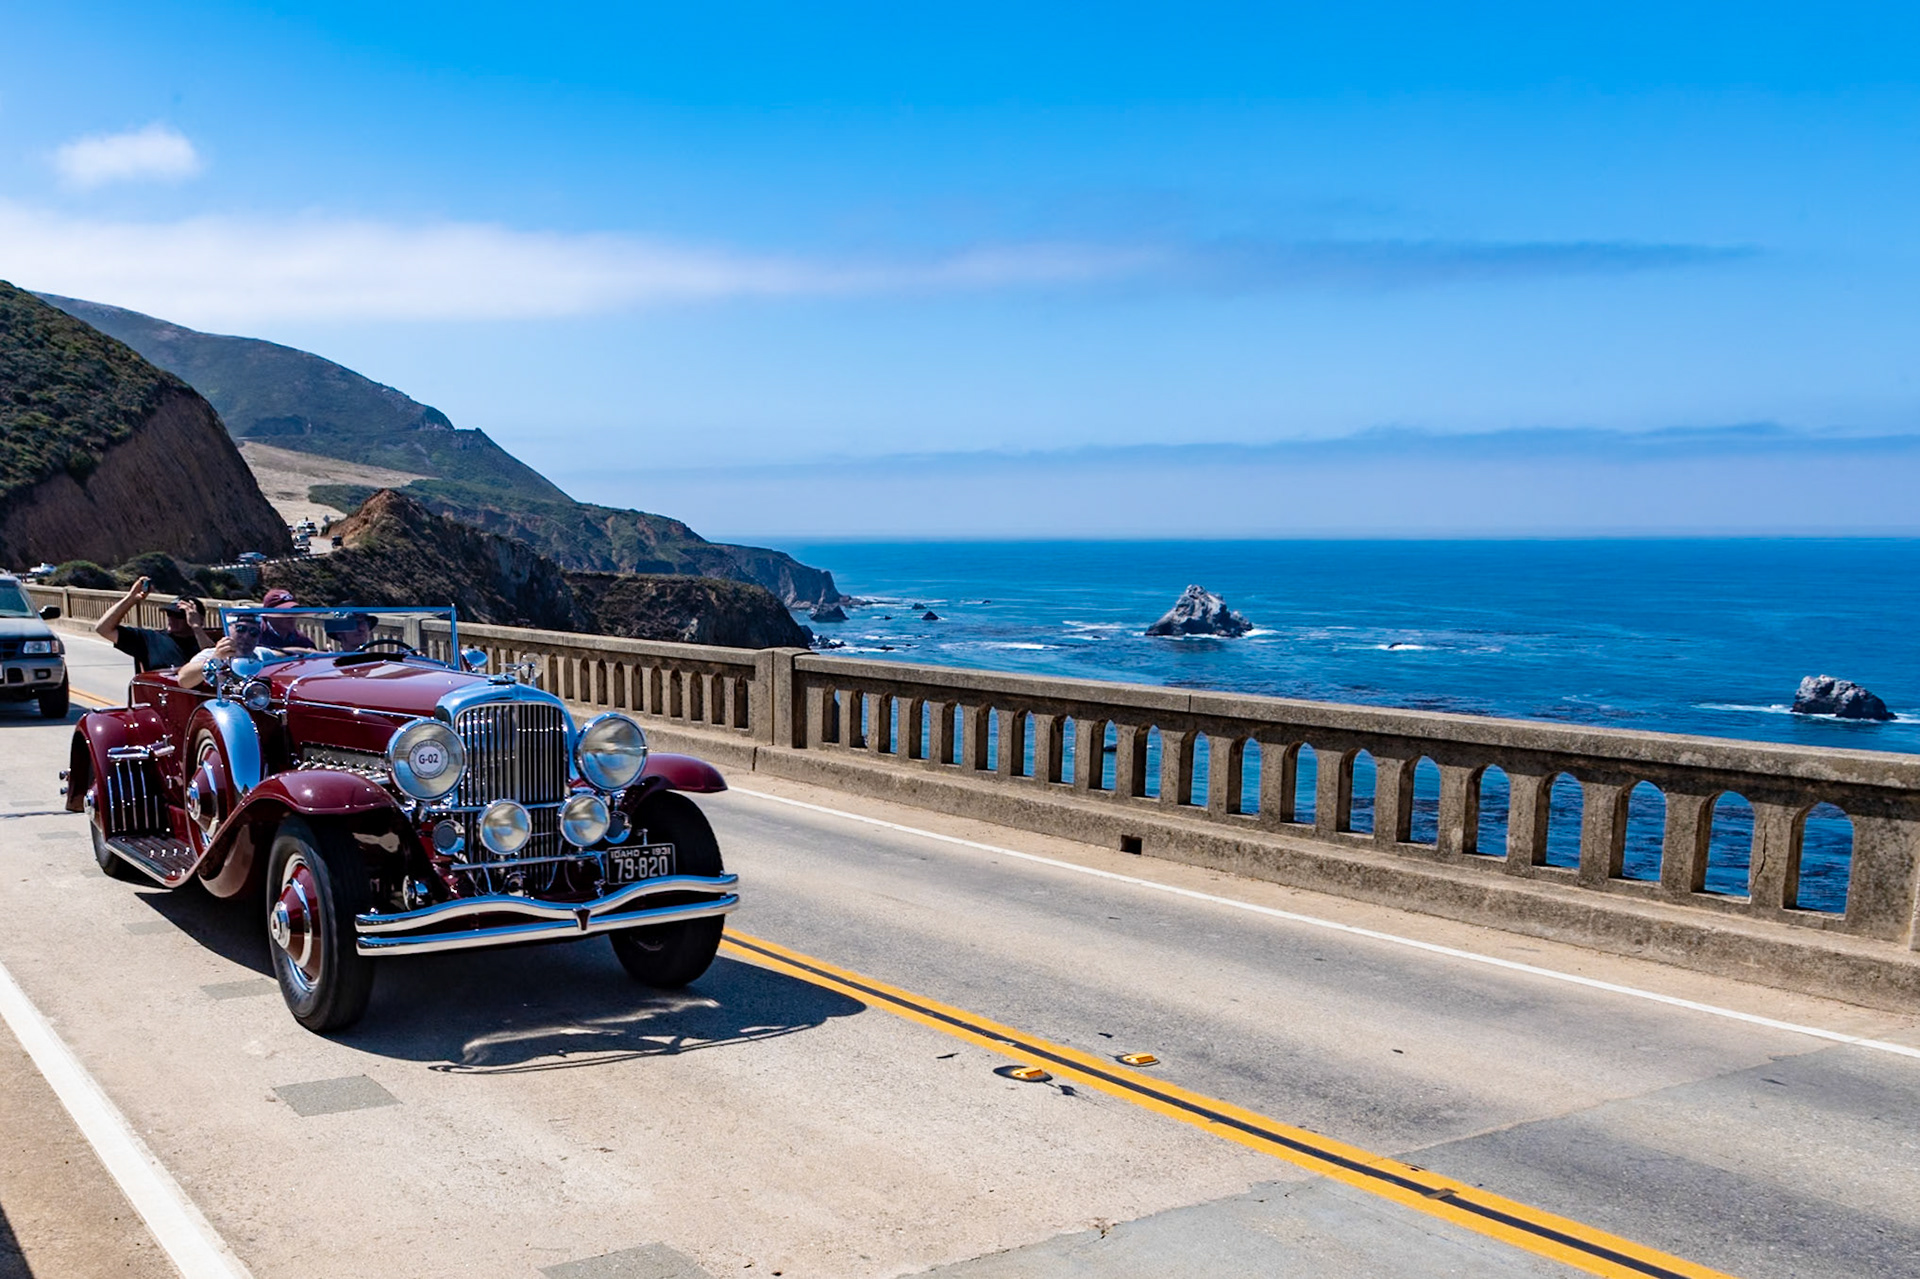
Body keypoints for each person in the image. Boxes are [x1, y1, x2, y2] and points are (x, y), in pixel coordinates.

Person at [94, 579, 214, 673]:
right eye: (169, 613)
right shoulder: (150, 639)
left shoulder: (206, 642)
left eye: (179, 615)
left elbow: (216, 661)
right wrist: (131, 598)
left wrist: (196, 627)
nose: (172, 618)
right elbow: (103, 629)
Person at [177, 614, 282, 690]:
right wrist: (216, 659)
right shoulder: (211, 654)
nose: (246, 636)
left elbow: (286, 656)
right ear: (227, 629)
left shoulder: (261, 654)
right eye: (240, 629)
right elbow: (183, 680)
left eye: (253, 632)